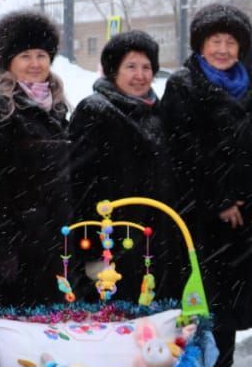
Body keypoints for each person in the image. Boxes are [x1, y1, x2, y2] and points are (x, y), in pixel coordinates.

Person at [162, 4, 252, 367]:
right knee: (196, 298)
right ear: (201, 45)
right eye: (214, 41)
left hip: (241, 215)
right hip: (200, 216)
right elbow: (184, 151)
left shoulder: (247, 85)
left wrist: (247, 196)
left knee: (229, 301)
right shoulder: (184, 85)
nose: (222, 49)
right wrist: (220, 198)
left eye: (230, 42)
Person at [68, 30, 182, 305]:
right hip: (112, 243)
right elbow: (77, 184)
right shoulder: (95, 111)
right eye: (130, 67)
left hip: (153, 244)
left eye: (146, 67)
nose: (140, 75)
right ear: (113, 71)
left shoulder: (157, 113)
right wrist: (92, 251)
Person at [0, 9, 71, 308]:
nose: (35, 64)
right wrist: (1, 249)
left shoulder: (59, 109)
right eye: (25, 55)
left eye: (41, 55)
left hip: (57, 248)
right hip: (17, 251)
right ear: (8, 62)